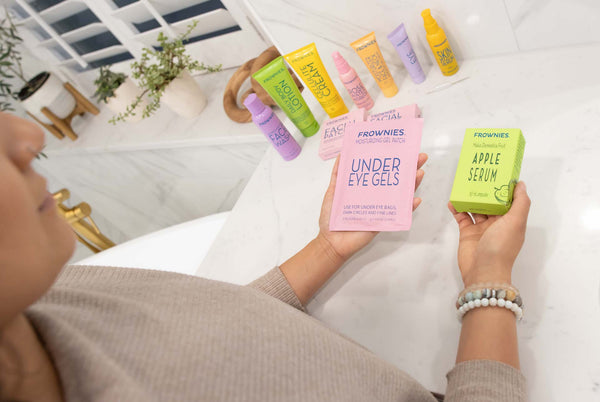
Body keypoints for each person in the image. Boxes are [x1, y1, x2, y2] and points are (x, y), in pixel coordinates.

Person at [0, 111, 530, 401]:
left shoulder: (49, 299)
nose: (26, 134)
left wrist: (328, 246)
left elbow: (199, 332)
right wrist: (489, 280)